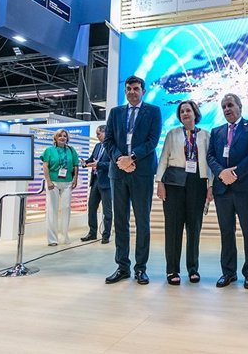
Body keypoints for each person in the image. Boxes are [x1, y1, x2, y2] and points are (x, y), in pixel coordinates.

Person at [103, 76, 162, 285]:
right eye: (128, 89)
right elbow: (108, 140)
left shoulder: (153, 111)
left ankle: (140, 268)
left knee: (142, 221)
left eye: (136, 88)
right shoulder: (115, 112)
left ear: (143, 91)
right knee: (120, 221)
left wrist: (132, 158)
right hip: (118, 172)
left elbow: (152, 141)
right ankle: (122, 266)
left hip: (142, 172)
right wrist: (120, 159)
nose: (132, 92)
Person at [207, 93, 248, 290]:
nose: (227, 109)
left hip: (247, 189)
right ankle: (228, 272)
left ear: (239, 106)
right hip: (223, 190)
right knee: (226, 232)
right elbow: (211, 156)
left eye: (230, 105)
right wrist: (221, 173)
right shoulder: (216, 132)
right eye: (223, 106)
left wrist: (235, 174)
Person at [156, 100, 213, 285]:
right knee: (173, 227)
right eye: (182, 111)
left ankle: (193, 268)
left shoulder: (205, 135)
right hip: (174, 182)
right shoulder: (172, 133)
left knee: (194, 227)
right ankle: (172, 270)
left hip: (197, 182)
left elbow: (210, 163)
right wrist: (159, 182)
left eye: (188, 110)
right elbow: (163, 158)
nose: (185, 114)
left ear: (195, 113)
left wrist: (210, 186)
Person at [40, 129, 79, 246]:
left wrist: (75, 179)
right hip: (53, 183)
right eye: (60, 136)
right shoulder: (49, 150)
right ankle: (52, 239)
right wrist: (48, 181)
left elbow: (76, 165)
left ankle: (65, 236)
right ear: (55, 138)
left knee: (66, 208)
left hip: (67, 182)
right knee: (52, 209)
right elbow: (45, 166)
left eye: (65, 136)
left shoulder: (71, 150)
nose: (63, 137)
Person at [80, 125, 112, 244]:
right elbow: (92, 159)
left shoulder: (112, 146)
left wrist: (97, 165)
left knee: (107, 210)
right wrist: (85, 163)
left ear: (105, 133)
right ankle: (92, 233)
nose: (97, 136)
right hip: (95, 181)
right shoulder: (98, 146)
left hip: (107, 182)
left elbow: (111, 165)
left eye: (98, 134)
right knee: (92, 207)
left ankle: (106, 235)